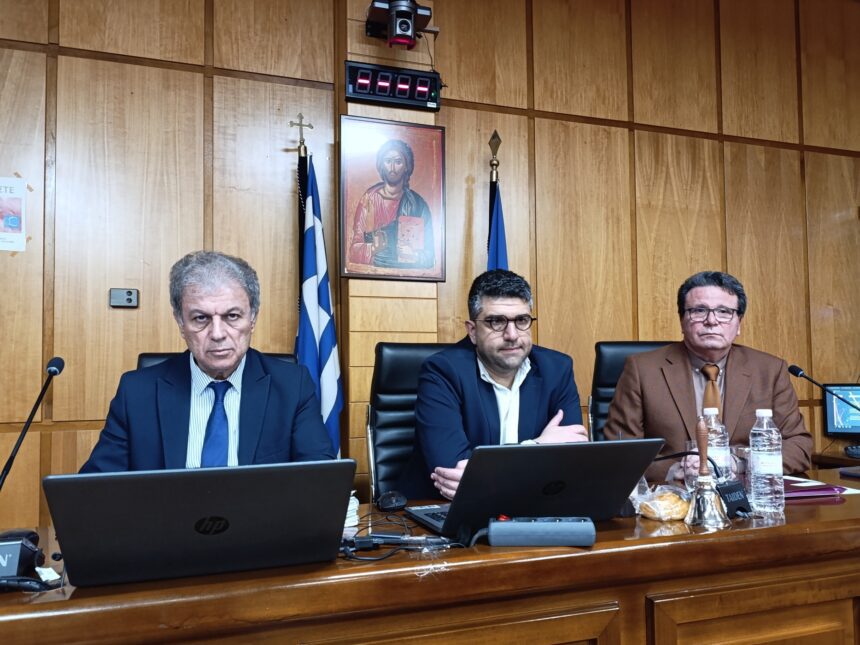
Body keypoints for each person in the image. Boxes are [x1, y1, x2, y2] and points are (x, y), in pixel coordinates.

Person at [81, 251, 335, 472]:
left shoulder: (292, 387)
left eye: (232, 316)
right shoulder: (136, 392)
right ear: (181, 322)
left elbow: (318, 479)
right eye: (200, 318)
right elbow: (96, 489)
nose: (217, 334)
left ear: (252, 318)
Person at [604, 270, 812, 482]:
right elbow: (619, 452)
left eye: (724, 311)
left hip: (747, 493)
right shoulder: (642, 370)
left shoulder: (769, 370)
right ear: (682, 320)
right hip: (674, 495)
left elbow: (799, 446)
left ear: (739, 323)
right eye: (699, 310)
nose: (711, 320)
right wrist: (676, 469)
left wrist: (739, 463)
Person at [399, 269, 589, 500]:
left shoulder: (557, 369)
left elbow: (571, 463)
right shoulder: (442, 372)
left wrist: (485, 476)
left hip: (531, 505)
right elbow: (452, 469)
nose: (512, 335)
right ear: (472, 331)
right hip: (447, 510)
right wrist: (537, 447)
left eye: (521, 320)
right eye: (497, 322)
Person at [348, 139, 434, 269]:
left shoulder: (417, 205)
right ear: (381, 165)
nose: (392, 168)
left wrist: (414, 255)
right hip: (373, 274)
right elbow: (353, 251)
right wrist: (373, 248)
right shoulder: (369, 200)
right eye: (388, 161)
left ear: (406, 166)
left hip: (407, 277)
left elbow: (430, 256)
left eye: (398, 162)